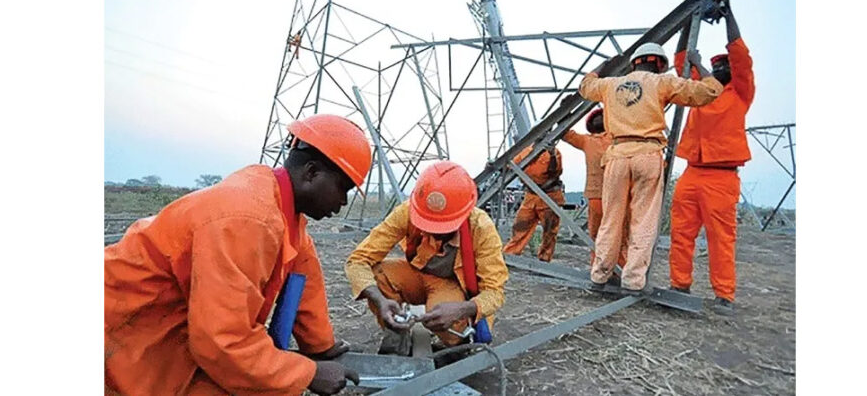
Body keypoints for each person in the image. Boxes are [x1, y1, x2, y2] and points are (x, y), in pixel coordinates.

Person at [105, 114, 369, 395]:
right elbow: (221, 341)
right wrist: (307, 374)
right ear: (312, 173)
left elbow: (303, 282)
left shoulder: (285, 213)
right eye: (343, 188)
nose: (343, 202)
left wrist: (321, 347)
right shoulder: (248, 219)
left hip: (164, 328)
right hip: (120, 324)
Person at [578, 41, 722, 295]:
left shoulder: (610, 84)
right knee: (643, 220)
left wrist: (603, 66)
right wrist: (698, 63)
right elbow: (710, 91)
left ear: (634, 63)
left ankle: (599, 276)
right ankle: (633, 282)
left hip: (617, 155)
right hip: (647, 153)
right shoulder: (662, 82)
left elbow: (585, 86)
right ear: (659, 64)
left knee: (611, 219)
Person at [345, 161, 508, 355]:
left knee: (451, 325)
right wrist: (379, 299)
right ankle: (397, 336)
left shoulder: (480, 228)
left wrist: (462, 309)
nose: (434, 231)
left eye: (443, 226)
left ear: (464, 215)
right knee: (378, 275)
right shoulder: (407, 212)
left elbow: (494, 293)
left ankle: (457, 346)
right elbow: (358, 260)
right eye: (428, 223)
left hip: (450, 286)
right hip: (416, 276)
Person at [668, 0, 754, 316]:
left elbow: (740, 53)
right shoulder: (699, 88)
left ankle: (724, 295)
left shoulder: (740, 92)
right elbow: (681, 60)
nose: (718, 70)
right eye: (715, 67)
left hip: (722, 177)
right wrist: (688, 23)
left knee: (721, 239)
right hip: (692, 172)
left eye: (723, 66)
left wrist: (728, 13)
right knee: (681, 233)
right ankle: (680, 285)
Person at [561, 107, 612, 265]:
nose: (599, 119)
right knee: (598, 233)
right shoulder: (588, 140)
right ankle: (599, 266)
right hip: (599, 194)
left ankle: (615, 268)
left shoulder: (617, 137)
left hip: (615, 194)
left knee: (615, 233)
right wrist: (565, 114)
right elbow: (565, 134)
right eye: (596, 117)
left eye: (601, 116)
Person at [502, 144, 565, 262]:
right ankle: (510, 255)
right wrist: (497, 166)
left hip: (549, 196)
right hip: (531, 196)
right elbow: (511, 166)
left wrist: (552, 155)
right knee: (520, 227)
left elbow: (555, 172)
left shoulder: (554, 153)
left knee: (549, 232)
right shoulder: (525, 152)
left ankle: (544, 259)